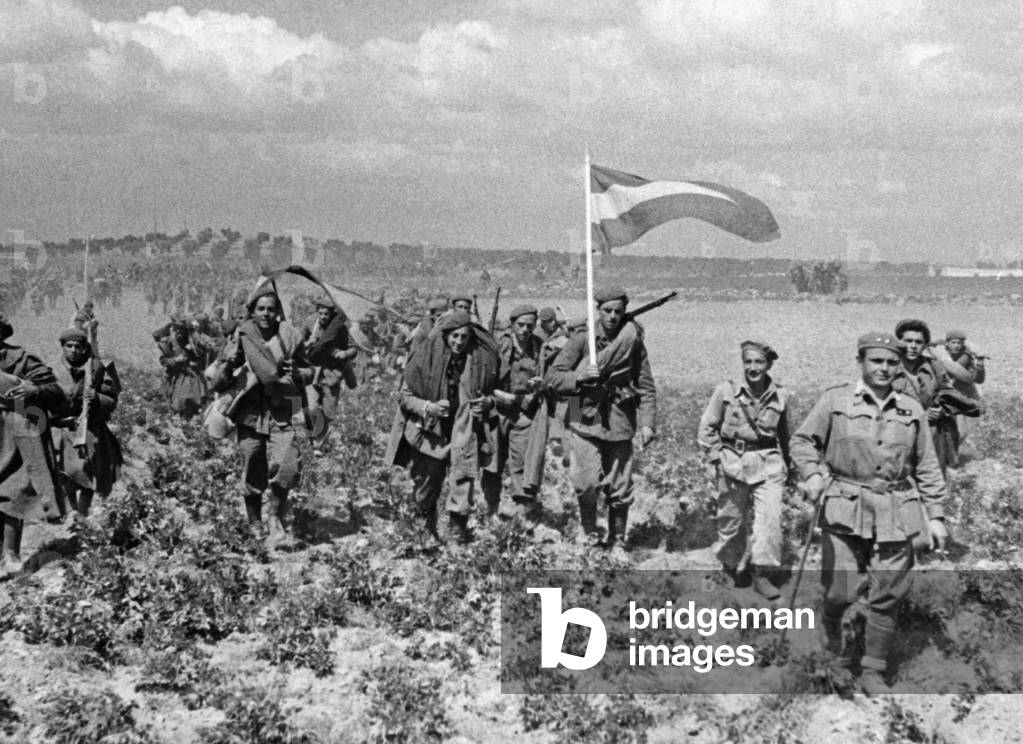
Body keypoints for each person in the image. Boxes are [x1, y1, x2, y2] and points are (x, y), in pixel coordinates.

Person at [790, 331, 948, 694]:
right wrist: (813, 474)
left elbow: (926, 464)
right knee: (841, 591)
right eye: (876, 361)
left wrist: (935, 515)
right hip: (845, 506)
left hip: (898, 509)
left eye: (892, 362)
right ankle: (832, 636)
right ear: (860, 361)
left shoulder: (912, 410)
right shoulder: (835, 400)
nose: (885, 368)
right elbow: (802, 441)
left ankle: (873, 670)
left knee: (888, 593)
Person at [545, 287, 656, 556]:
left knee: (620, 485)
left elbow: (646, 385)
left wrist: (647, 423)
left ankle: (618, 540)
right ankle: (589, 533)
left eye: (618, 311)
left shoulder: (632, 341)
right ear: (599, 310)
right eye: (608, 310)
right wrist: (580, 377)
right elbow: (553, 377)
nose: (613, 316)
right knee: (586, 483)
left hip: (619, 418)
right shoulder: (583, 340)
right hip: (584, 413)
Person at [209, 287, 314, 547]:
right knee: (253, 464)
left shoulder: (289, 337)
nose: (266, 314)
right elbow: (218, 382)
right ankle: (255, 519)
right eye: (261, 309)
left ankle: (275, 516)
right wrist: (230, 363)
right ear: (253, 312)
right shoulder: (241, 336)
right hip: (250, 412)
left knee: (288, 465)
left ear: (278, 311)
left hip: (282, 410)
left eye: (271, 309)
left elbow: (309, 370)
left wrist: (297, 374)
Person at [384, 311, 501, 545]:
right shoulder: (426, 358)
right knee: (427, 483)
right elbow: (405, 397)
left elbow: (495, 392)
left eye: (464, 337)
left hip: (464, 429)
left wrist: (487, 403)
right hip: (431, 432)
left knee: (463, 479)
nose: (459, 342)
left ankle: (457, 531)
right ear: (446, 335)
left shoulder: (478, 362)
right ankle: (425, 528)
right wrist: (429, 407)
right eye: (454, 336)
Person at [697, 341, 792, 599]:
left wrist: (789, 465)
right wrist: (716, 459)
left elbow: (784, 433)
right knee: (731, 522)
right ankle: (731, 568)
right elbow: (707, 428)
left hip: (768, 464)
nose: (753, 368)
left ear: (768, 364)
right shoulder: (726, 391)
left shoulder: (781, 395)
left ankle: (761, 574)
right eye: (748, 362)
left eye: (759, 362)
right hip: (732, 463)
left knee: (769, 521)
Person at [0, 314, 69, 575]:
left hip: (16, 429)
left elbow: (56, 391)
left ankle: (10, 553)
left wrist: (33, 390)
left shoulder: (22, 359)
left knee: (14, 490)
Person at [51, 328, 122, 518]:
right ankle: (70, 512)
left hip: (90, 430)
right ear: (63, 347)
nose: (73, 350)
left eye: (78, 347)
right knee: (63, 474)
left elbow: (112, 398)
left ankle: (81, 512)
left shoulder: (96, 368)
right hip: (61, 429)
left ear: (84, 348)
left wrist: (97, 397)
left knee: (89, 474)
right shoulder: (51, 369)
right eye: (69, 346)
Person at [893, 319, 979, 473]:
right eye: (908, 341)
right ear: (899, 342)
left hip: (932, 439)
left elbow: (947, 393)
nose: (913, 346)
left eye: (918, 342)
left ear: (925, 345)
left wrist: (944, 410)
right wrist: (920, 416)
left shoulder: (934, 366)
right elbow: (881, 405)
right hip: (898, 437)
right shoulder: (888, 368)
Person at [495, 305, 548, 511]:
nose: (525, 329)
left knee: (522, 461)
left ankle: (523, 509)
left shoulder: (538, 346)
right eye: (521, 325)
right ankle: (491, 508)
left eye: (530, 325)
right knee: (493, 462)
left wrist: (536, 388)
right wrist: (499, 395)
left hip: (523, 411)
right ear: (512, 324)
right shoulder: (500, 344)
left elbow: (546, 376)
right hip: (498, 409)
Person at [301, 296, 358, 455]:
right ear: (317, 312)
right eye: (321, 313)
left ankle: (319, 440)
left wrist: (344, 353)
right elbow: (298, 345)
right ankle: (314, 440)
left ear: (332, 314)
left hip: (331, 373)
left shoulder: (340, 328)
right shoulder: (309, 323)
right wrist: (309, 343)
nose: (323, 317)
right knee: (311, 407)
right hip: (312, 371)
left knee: (328, 411)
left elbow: (354, 349)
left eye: (327, 314)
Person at [158, 318, 213, 418]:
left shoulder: (194, 341)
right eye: (176, 331)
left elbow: (203, 355)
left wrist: (195, 363)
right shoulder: (168, 343)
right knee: (177, 404)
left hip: (192, 375)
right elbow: (163, 361)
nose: (178, 334)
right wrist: (175, 360)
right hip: (175, 375)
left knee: (196, 402)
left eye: (181, 331)